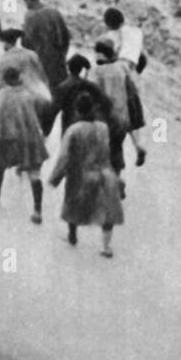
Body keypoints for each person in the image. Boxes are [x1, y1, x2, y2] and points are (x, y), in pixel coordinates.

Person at [48, 92, 123, 257]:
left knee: (73, 205)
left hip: (81, 173)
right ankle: (106, 247)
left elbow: (64, 157)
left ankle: (73, 235)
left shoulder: (73, 130)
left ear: (77, 111)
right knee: (107, 211)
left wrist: (56, 178)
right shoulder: (103, 128)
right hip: (104, 172)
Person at [0, 67, 49, 222]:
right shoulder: (27, 95)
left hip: (6, 139)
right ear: (19, 78)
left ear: (6, 80)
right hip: (28, 139)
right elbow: (40, 108)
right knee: (34, 175)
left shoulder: (2, 96)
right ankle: (37, 211)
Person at [91, 38, 146, 192]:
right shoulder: (122, 69)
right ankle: (117, 177)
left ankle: (113, 181)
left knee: (102, 152)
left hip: (104, 120)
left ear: (100, 54)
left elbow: (93, 96)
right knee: (117, 148)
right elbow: (132, 94)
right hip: (122, 118)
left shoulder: (97, 72)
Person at [21, 0, 70, 92]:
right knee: (62, 84)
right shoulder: (54, 11)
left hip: (42, 57)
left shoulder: (30, 16)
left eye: (26, 1)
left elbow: (27, 42)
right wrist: (63, 52)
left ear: (32, 0)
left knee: (46, 87)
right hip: (58, 56)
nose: (25, 4)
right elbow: (66, 35)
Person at [54, 53, 113, 131]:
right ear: (81, 69)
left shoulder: (62, 87)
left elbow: (53, 110)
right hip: (86, 127)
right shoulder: (89, 86)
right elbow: (107, 102)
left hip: (68, 126)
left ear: (68, 68)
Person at [102, 6, 146, 73]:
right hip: (133, 67)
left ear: (110, 25)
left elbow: (111, 53)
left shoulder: (115, 34)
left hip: (120, 65)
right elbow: (143, 57)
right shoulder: (138, 31)